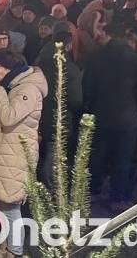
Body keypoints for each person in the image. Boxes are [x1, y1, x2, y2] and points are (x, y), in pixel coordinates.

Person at [0, 48, 47, 258]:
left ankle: (14, 253)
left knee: (11, 209)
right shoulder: (12, 84)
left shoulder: (28, 88)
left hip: (15, 156)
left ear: (9, 68)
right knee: (3, 206)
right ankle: (5, 250)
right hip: (6, 153)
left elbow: (9, 117)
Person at [84, 30, 137, 211]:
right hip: (127, 118)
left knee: (97, 155)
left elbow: (87, 88)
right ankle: (117, 197)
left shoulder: (97, 58)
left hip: (100, 115)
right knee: (122, 159)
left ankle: (93, 190)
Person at [36, 31, 82, 188]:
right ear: (68, 45)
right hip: (59, 116)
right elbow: (76, 100)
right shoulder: (70, 68)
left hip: (39, 112)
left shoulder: (40, 62)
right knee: (54, 153)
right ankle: (50, 190)